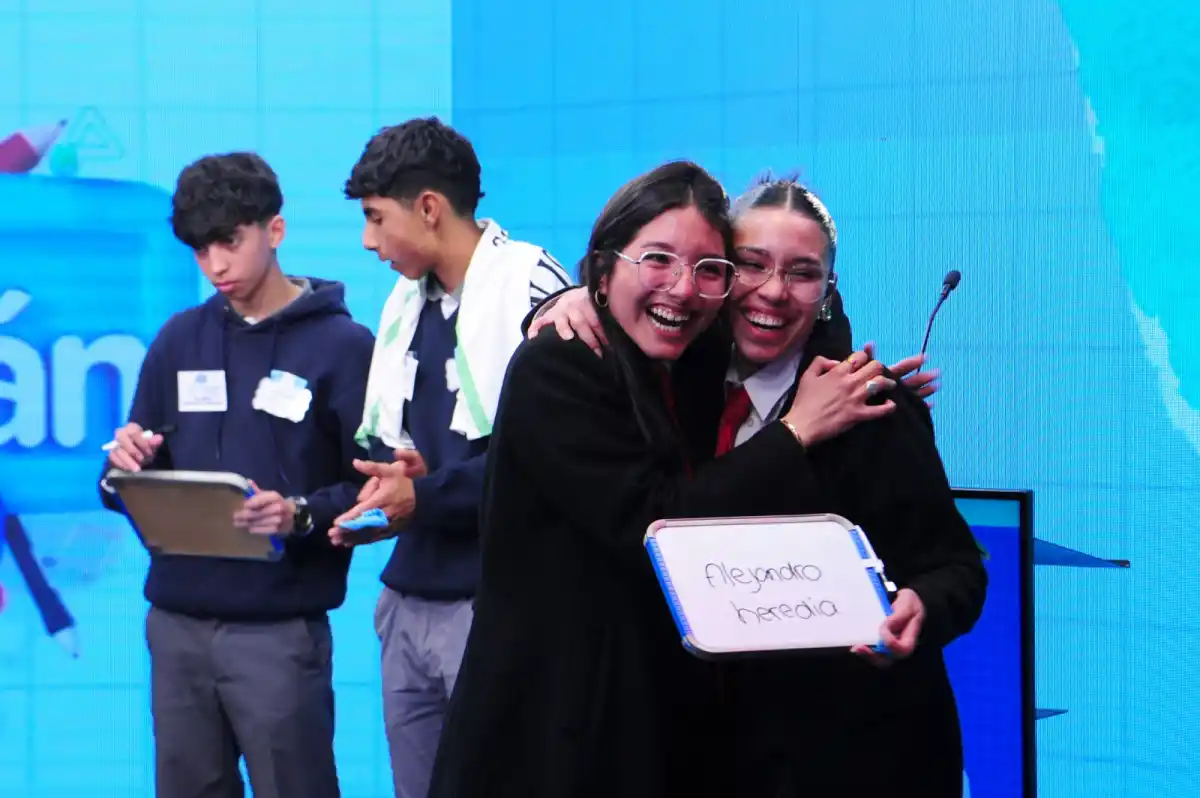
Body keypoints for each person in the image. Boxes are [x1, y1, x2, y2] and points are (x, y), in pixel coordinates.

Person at [423, 161, 897, 798]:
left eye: (709, 269)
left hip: (649, 722)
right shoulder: (560, 365)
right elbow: (654, 524)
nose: (682, 287)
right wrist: (795, 431)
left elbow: (786, 314)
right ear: (605, 265)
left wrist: (861, 380)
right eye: (657, 260)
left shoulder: (685, 359)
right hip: (552, 727)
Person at [528, 174, 988, 796]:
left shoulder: (871, 407)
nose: (773, 291)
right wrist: (567, 301)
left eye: (802, 272)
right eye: (751, 264)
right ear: (718, 275)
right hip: (705, 756)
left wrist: (921, 607)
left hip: (855, 758)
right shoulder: (667, 386)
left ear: (827, 291)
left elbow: (957, 568)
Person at [98, 152, 374, 798]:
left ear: (275, 230)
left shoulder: (344, 348)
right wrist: (123, 467)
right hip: (177, 625)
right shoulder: (178, 339)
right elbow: (125, 482)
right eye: (201, 250)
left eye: (229, 242)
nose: (215, 265)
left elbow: (378, 491)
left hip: (279, 629)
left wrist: (298, 513)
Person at [331, 117, 571, 798]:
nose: (368, 241)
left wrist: (426, 496)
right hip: (408, 601)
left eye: (377, 219)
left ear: (430, 207)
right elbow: (401, 451)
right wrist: (396, 482)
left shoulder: (537, 290)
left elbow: (553, 459)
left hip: (500, 604)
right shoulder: (404, 304)